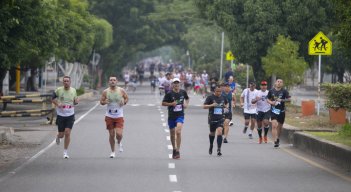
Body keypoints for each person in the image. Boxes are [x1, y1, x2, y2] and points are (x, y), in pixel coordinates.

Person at [100, 76, 129, 158]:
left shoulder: (121, 90)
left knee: (119, 134)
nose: (112, 81)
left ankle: (119, 142)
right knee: (111, 134)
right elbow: (101, 102)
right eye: (111, 80)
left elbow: (127, 98)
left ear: (117, 81)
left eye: (114, 80)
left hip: (119, 116)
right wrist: (104, 102)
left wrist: (124, 102)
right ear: (109, 82)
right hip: (109, 116)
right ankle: (112, 151)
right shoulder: (105, 91)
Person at [162, 78, 189, 159]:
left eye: (177, 83)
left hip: (180, 115)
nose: (176, 84)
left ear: (179, 84)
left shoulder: (183, 92)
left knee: (178, 131)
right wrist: (171, 104)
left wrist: (186, 104)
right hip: (171, 116)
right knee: (172, 133)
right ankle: (174, 148)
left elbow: (187, 98)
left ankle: (177, 150)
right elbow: (163, 103)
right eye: (175, 83)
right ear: (172, 84)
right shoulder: (169, 93)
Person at [52, 76, 79, 159]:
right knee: (61, 135)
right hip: (61, 114)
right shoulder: (59, 90)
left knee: (67, 133)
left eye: (67, 81)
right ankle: (58, 136)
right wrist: (58, 104)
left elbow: (75, 101)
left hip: (70, 114)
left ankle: (65, 152)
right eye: (64, 81)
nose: (66, 82)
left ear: (70, 82)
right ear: (63, 82)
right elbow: (52, 98)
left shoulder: (73, 90)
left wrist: (76, 101)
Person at [203, 85, 228, 156]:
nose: (219, 93)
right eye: (217, 91)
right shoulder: (210, 97)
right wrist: (212, 105)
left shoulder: (223, 97)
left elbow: (226, 103)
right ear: (214, 91)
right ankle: (211, 145)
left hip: (220, 118)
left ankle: (219, 149)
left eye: (220, 91)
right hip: (212, 118)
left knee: (220, 131)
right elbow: (204, 106)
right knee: (212, 133)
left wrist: (226, 107)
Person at [267, 79, 291, 148]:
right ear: (275, 83)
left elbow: (289, 100)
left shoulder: (284, 91)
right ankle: (275, 140)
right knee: (274, 125)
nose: (279, 83)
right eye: (278, 82)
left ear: (282, 84)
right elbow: (267, 99)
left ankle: (277, 138)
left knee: (280, 127)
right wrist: (271, 103)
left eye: (281, 82)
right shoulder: (271, 91)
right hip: (273, 111)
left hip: (281, 112)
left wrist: (282, 100)